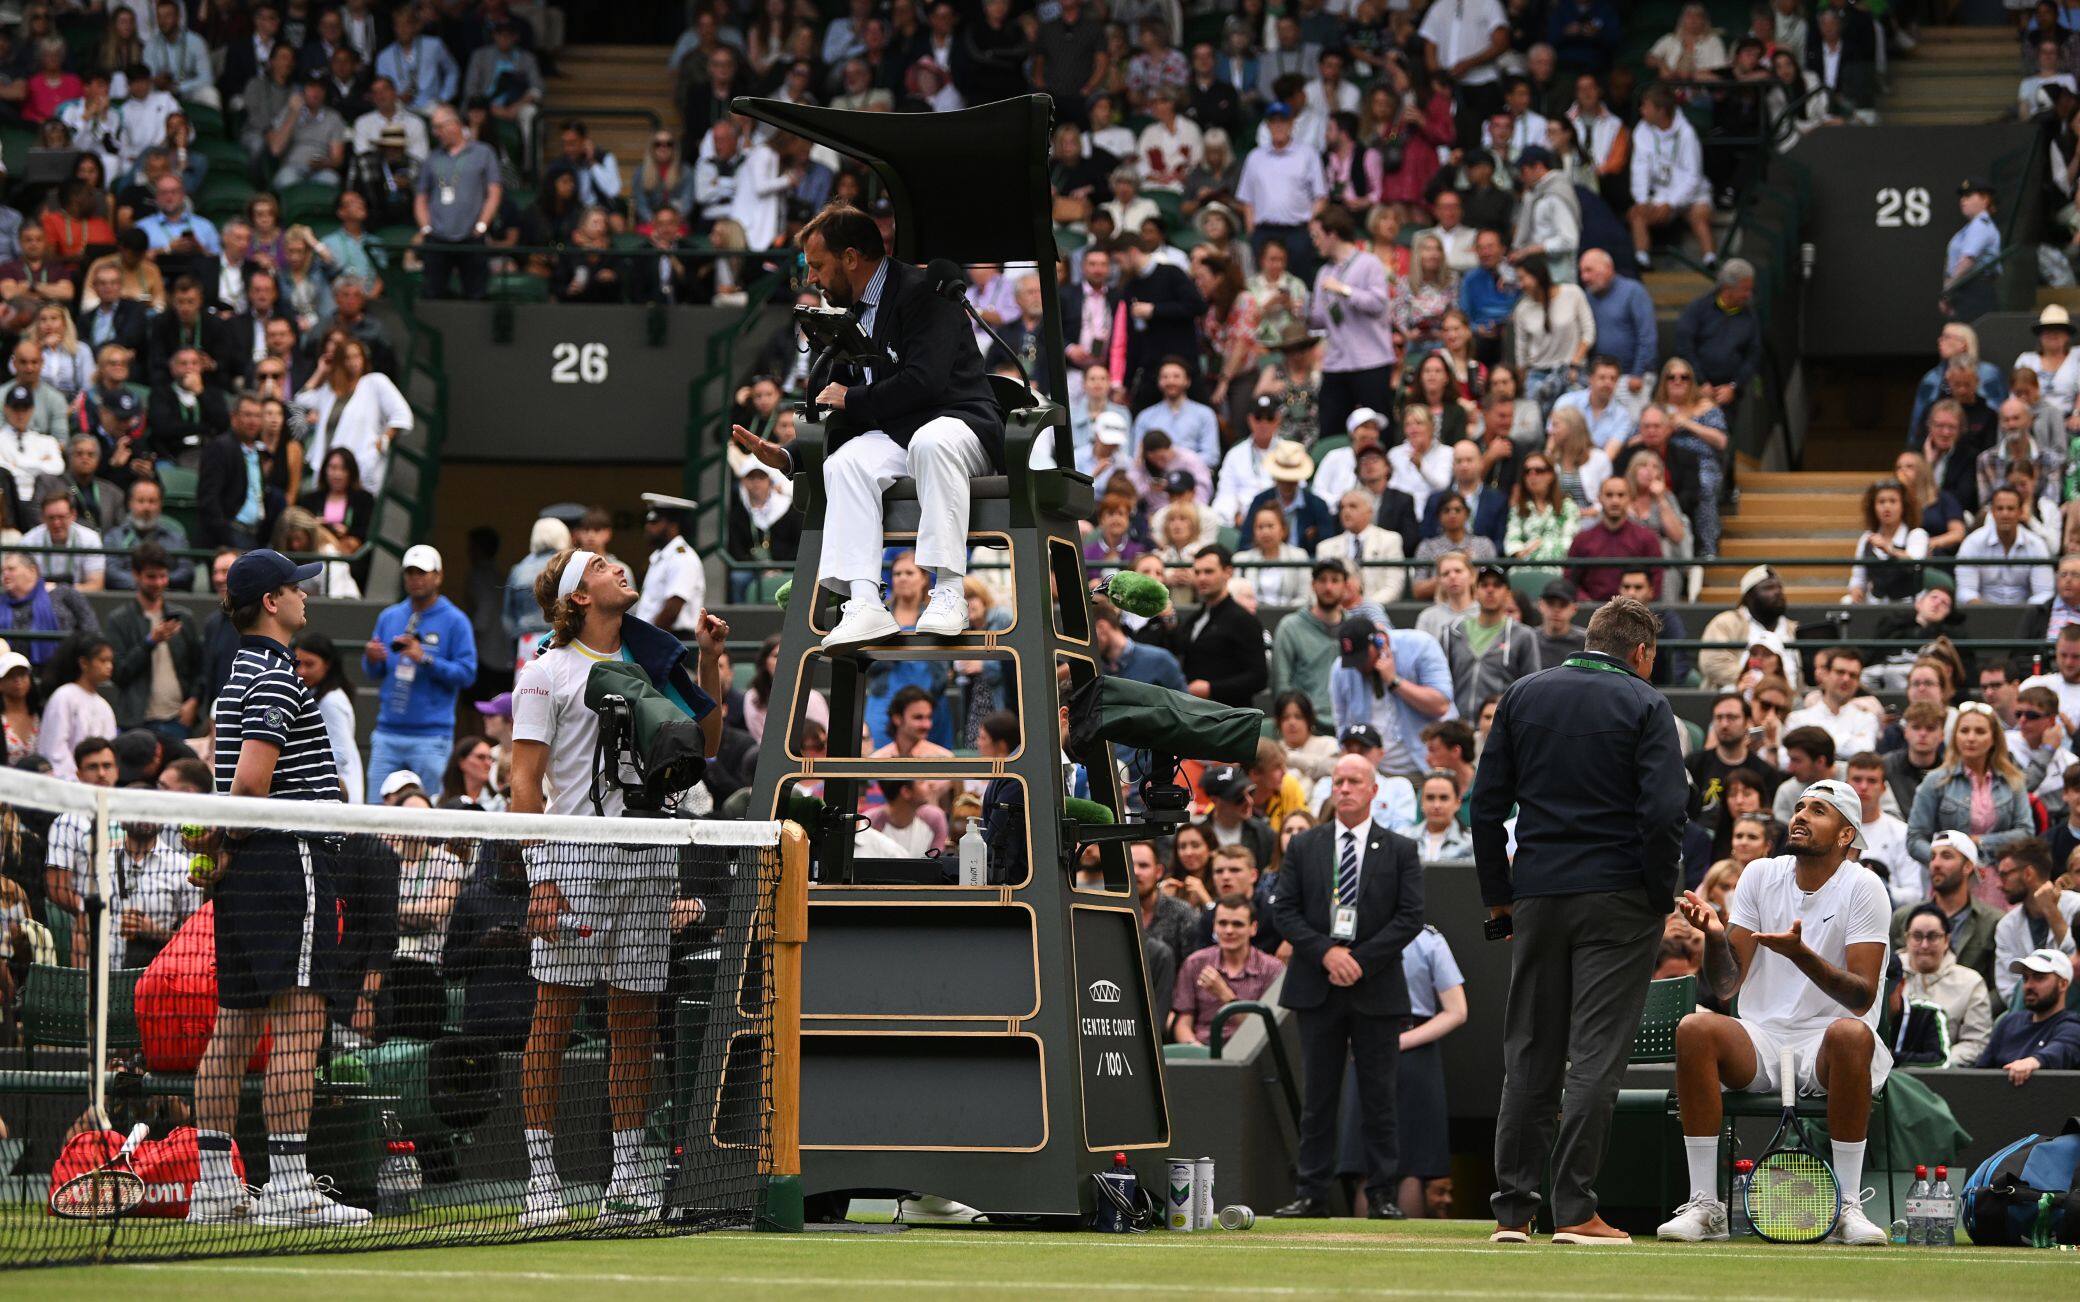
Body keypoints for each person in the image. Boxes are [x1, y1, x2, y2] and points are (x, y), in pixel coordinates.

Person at [512, 547, 726, 1230]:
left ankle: (627, 1175)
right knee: (554, 1018)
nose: (618, 568)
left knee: (635, 1024)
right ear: (577, 595)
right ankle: (541, 1179)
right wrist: (539, 877)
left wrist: (710, 659)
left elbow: (709, 746)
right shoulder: (544, 674)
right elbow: (524, 788)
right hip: (572, 863)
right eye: (602, 564)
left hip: (649, 860)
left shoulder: (651, 666)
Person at [1472, 596, 1685, 1244]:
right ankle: (1574, 1212)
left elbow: (1484, 808)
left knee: (1530, 1053)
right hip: (1620, 899)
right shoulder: (1648, 705)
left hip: (1536, 896)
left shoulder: (1523, 695)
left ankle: (1512, 1213)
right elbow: (1664, 816)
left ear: (1591, 638)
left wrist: (1497, 899)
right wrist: (1658, 894)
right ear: (1641, 652)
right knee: (1595, 1058)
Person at [183, 549, 367, 1229]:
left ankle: (213, 1185)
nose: (305, 599)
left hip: (248, 871)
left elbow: (234, 783)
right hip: (289, 860)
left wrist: (222, 847)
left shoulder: (236, 677)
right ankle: (288, 1184)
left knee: (235, 1025)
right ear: (270, 602)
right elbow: (253, 785)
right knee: (299, 1022)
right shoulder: (275, 676)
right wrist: (230, 841)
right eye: (296, 588)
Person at [729, 206, 1000, 648]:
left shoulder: (923, 291)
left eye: (817, 266)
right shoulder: (849, 311)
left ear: (851, 258)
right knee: (845, 464)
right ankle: (865, 603)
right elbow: (844, 399)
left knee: (931, 443)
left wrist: (852, 398)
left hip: (961, 425)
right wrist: (790, 455)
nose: (812, 279)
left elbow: (925, 381)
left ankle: (949, 592)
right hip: (900, 433)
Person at [1658, 780, 1893, 1246]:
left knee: (1852, 1034)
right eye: (1800, 807)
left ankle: (1848, 1206)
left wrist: (1800, 954)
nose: (1801, 815)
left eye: (1819, 810)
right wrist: (1715, 937)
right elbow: (1727, 985)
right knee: (1695, 1028)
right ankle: (1706, 1203)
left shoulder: (1865, 887)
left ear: (1846, 835)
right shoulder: (1760, 875)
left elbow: (1862, 998)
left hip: (1831, 1040)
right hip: (1762, 1037)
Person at [1270, 753, 1424, 1220]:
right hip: (1317, 985)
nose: (1344, 788)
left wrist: (1360, 960)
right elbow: (1285, 911)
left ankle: (1381, 1194)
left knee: (1379, 1097)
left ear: (1374, 790)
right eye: (1338, 781)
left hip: (1375, 987)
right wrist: (1327, 953)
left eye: (1354, 781)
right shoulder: (1305, 846)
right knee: (1318, 1097)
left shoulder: (1400, 849)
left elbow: (1410, 916)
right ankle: (1312, 1192)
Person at [362, 544, 478, 801]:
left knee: (430, 809)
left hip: (431, 736)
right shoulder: (389, 616)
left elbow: (467, 674)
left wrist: (424, 658)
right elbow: (374, 672)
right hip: (388, 731)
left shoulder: (455, 620)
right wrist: (371, 659)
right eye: (410, 573)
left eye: (422, 573)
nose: (415, 579)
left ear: (438, 576)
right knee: (373, 811)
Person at [1908, 702, 2036, 879]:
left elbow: (2026, 833)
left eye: (1980, 731)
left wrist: (1979, 842)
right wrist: (1945, 861)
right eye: (1964, 731)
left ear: (1993, 739)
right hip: (1950, 880)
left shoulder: (2013, 780)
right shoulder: (1935, 781)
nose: (1971, 738)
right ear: (1955, 737)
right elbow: (1915, 839)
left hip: (2002, 878)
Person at [1331, 615, 1457, 781]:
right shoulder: (1342, 669)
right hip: (1375, 774)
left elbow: (1441, 705)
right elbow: (1342, 724)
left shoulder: (1420, 645)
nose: (1358, 666)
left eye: (1362, 658)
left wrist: (1394, 681)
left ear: (1379, 641)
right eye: (1353, 660)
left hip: (1427, 767)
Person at [1306, 205, 1393, 443]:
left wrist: (1344, 290)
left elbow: (1378, 303)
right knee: (1330, 428)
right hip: (1336, 362)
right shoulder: (1324, 272)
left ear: (1332, 233)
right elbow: (1318, 319)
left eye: (1317, 236)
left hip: (1370, 360)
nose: (1315, 242)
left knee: (1379, 426)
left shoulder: (1369, 263)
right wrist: (1300, 310)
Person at [104, 543, 200, 746]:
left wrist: (193, 701)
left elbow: (200, 667)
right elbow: (119, 673)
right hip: (138, 723)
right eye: (151, 576)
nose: (158, 582)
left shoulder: (184, 617)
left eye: (163, 576)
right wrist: (150, 642)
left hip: (178, 720)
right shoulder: (118, 620)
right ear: (135, 575)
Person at [1886, 903, 1995, 1068]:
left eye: (1932, 936)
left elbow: (1975, 1042)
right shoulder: (1889, 973)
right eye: (1917, 936)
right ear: (1906, 938)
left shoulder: (1971, 982)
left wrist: (1937, 1063)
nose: (1924, 945)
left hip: (1946, 1074)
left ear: (1946, 940)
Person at [415, 104, 503, 301]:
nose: (436, 133)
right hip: (437, 237)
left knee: (476, 295)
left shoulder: (483, 153)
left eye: (439, 127)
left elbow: (494, 191)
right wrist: (426, 228)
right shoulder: (432, 158)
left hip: (471, 235)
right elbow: (421, 196)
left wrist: (482, 225)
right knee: (432, 295)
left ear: (454, 124)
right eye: (434, 128)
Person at [1172, 894, 1285, 1046]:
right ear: (1214, 926)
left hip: (1251, 1053)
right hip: (1203, 1050)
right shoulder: (1195, 963)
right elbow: (1182, 1022)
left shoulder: (1272, 968)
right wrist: (1194, 1048)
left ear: (1253, 928)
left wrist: (1225, 995)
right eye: (1222, 923)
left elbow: (1265, 1031)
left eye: (1237, 924)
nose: (1229, 930)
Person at [1991, 839, 2079, 1003]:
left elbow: (2077, 964)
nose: (1998, 884)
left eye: (2004, 875)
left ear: (2028, 874)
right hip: (2030, 1010)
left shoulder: (2076, 907)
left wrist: (2052, 912)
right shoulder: (2006, 925)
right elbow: (2007, 987)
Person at [1975, 948, 2080, 1082]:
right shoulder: (2008, 1022)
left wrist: (2033, 1062)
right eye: (2025, 978)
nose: (2028, 986)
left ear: (2063, 984)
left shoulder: (2071, 1027)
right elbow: (1980, 1073)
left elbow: (2063, 1050)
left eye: (2039, 977)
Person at [36, 634, 118, 781]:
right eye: (103, 660)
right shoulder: (64, 696)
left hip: (97, 782)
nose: (109, 666)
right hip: (67, 783)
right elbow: (55, 748)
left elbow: (108, 750)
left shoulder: (104, 706)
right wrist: (74, 779)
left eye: (111, 661)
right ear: (84, 663)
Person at [1956, 486, 2055, 605]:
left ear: (2020, 512)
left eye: (2011, 508)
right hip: (1981, 614)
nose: (2005, 514)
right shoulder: (1973, 542)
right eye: (2000, 508)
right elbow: (1965, 591)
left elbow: (2044, 593)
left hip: (2027, 616)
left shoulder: (2036, 544)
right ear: (1992, 512)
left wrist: (2024, 616)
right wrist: (1986, 614)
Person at [1944, 178, 2000, 321]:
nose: (1963, 200)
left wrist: (1948, 290)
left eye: (1968, 196)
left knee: (1969, 337)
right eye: (1962, 197)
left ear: (1985, 199)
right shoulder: (1970, 227)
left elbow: (1967, 260)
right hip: (1964, 289)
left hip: (1976, 289)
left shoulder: (1981, 224)